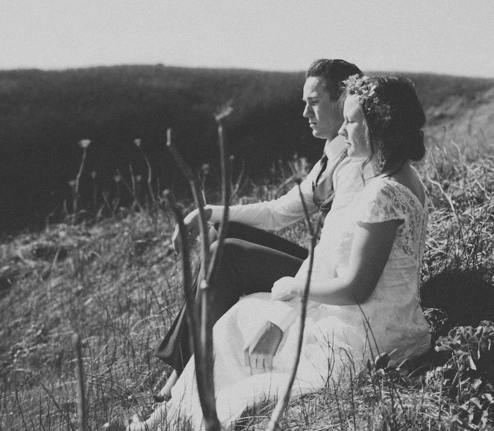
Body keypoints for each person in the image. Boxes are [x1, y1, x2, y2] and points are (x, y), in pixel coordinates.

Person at [139, 75, 432, 429]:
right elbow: (292, 220)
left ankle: (170, 418)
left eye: (351, 121)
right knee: (240, 313)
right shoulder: (401, 178)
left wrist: (291, 294)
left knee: (236, 328)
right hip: (384, 321)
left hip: (361, 333)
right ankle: (168, 415)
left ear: (378, 125)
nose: (343, 129)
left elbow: (357, 286)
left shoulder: (379, 190)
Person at [153, 58, 364, 400]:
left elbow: (336, 250)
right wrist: (208, 213)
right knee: (224, 232)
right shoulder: (331, 155)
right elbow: (278, 212)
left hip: (328, 274)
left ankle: (186, 366)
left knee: (227, 252)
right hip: (320, 263)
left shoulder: (354, 161)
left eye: (313, 102)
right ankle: (184, 362)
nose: (305, 113)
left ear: (343, 100)